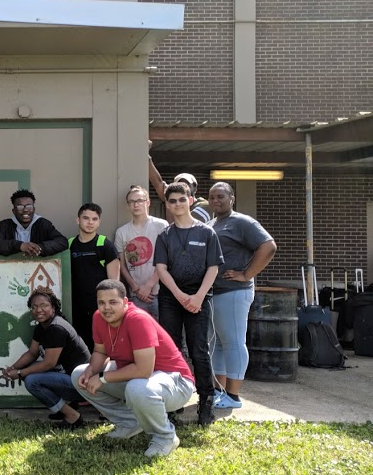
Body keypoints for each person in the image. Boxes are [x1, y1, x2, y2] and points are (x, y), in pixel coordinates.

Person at [72, 280, 195, 458]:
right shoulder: (99, 317)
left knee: (137, 387)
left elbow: (144, 370)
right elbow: (100, 351)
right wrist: (91, 371)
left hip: (176, 382)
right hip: (140, 377)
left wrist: (103, 377)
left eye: (113, 302)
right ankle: (130, 423)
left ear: (125, 301)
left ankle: (165, 437)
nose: (106, 308)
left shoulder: (138, 319)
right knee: (78, 375)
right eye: (101, 302)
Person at [155, 182, 223, 426]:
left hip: (199, 298)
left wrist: (197, 297)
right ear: (168, 205)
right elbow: (161, 269)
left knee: (199, 351)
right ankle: (172, 403)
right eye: (172, 201)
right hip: (170, 298)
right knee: (171, 350)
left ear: (191, 200)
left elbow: (213, 267)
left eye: (181, 200)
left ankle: (206, 403)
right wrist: (179, 295)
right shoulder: (164, 235)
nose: (177, 205)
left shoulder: (206, 233)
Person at [208, 182, 277, 409]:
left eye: (220, 196)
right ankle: (220, 390)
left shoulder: (242, 222)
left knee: (234, 342)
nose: (216, 201)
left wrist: (247, 274)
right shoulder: (212, 223)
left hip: (234, 292)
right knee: (218, 344)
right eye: (212, 197)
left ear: (232, 198)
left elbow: (268, 246)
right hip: (214, 292)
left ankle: (233, 396)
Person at [1, 287, 90, 430]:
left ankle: (73, 416)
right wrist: (13, 368)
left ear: (53, 308)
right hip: (67, 377)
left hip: (82, 383)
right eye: (34, 307)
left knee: (31, 380)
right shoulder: (42, 327)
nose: (38, 310)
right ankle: (65, 408)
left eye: (44, 305)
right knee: (28, 371)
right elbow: (32, 353)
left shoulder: (56, 328)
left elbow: (49, 363)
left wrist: (19, 374)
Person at [68, 203, 120, 350]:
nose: (90, 222)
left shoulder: (105, 245)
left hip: (99, 307)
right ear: (78, 220)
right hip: (76, 307)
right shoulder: (70, 244)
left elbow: (114, 283)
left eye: (94, 219)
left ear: (99, 222)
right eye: (86, 218)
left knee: (101, 346)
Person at [114, 186, 168, 319]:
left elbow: (166, 258)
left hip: (160, 293)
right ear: (128, 206)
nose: (136, 204)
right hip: (135, 295)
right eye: (132, 202)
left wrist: (149, 285)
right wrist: (136, 288)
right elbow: (121, 263)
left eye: (139, 200)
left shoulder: (161, 226)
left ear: (147, 202)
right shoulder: (122, 232)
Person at [0, 189, 69, 258]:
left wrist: (38, 248)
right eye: (20, 207)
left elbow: (62, 242)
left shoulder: (43, 224)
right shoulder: (4, 225)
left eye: (29, 206)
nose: (25, 210)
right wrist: (20, 246)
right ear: (13, 211)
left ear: (34, 209)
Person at [147, 146, 211, 224]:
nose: (183, 188)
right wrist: (146, 156)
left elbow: (185, 225)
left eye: (187, 184)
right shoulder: (172, 199)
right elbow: (158, 183)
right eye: (179, 185)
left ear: (195, 188)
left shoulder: (204, 205)